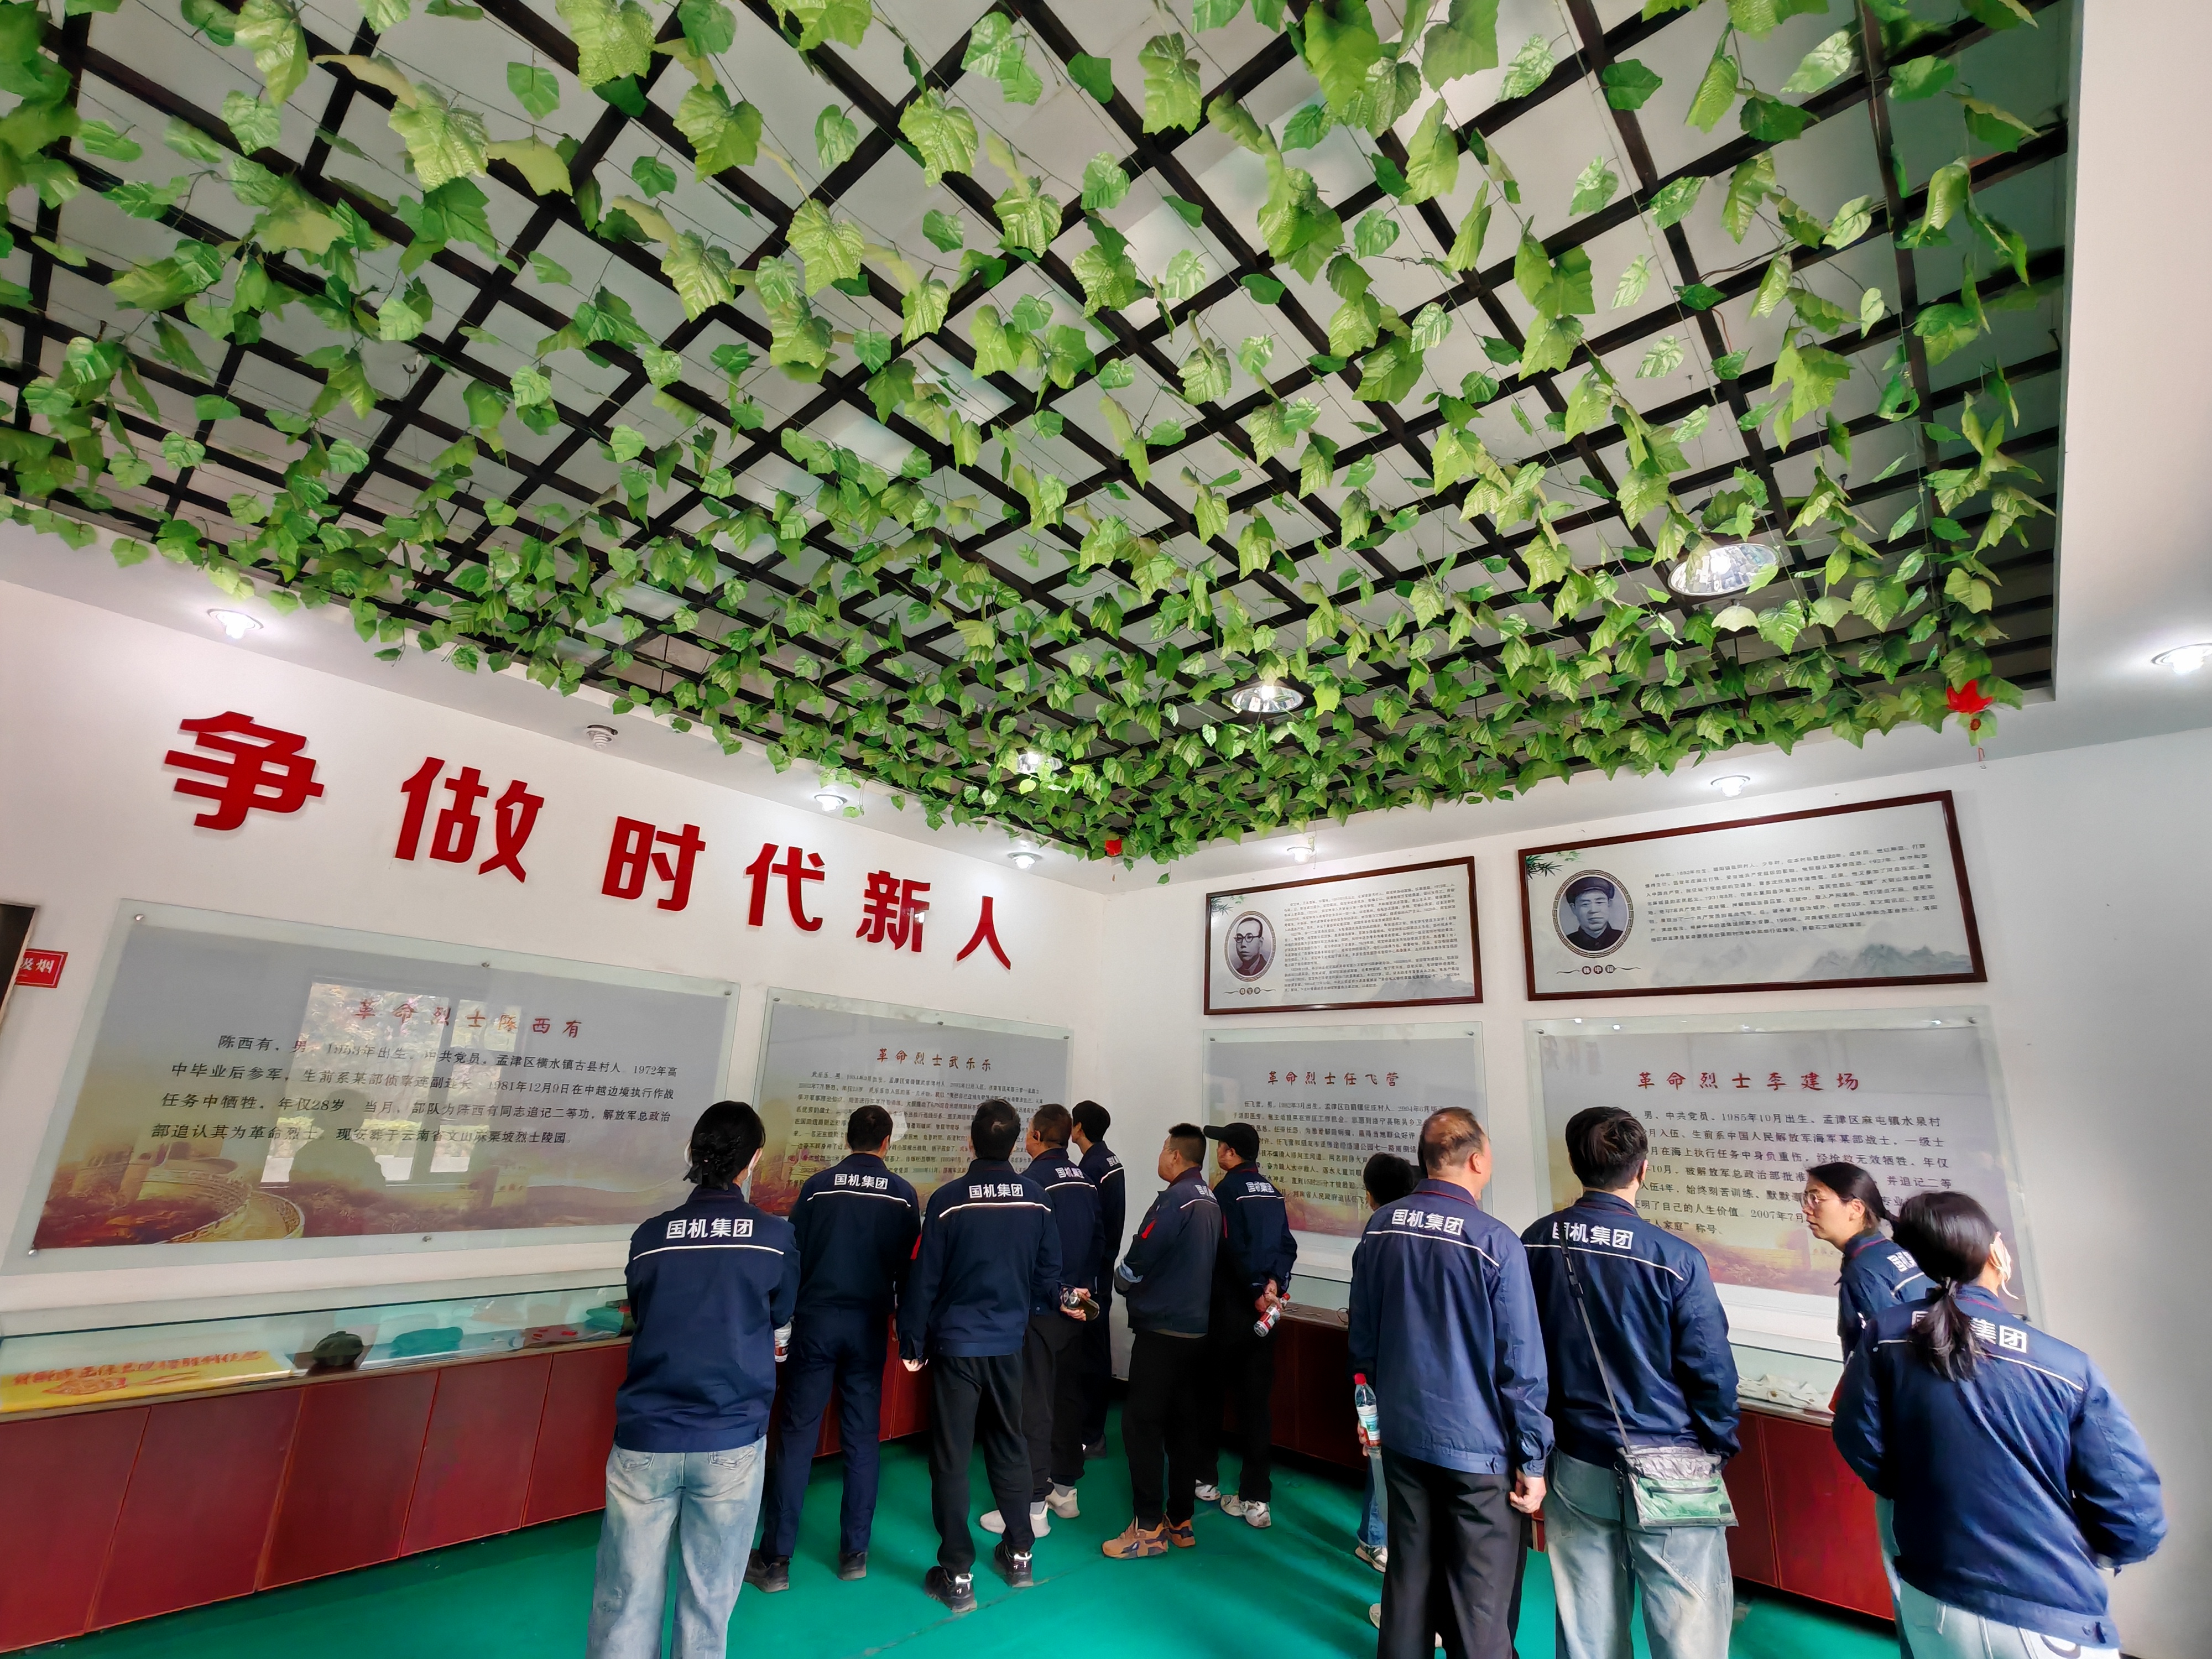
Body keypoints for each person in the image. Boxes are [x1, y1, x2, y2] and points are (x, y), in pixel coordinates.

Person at [1834, 1191, 2164, 1659]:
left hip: (1933, 1603)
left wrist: (1917, 1491)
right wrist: (2102, 1549)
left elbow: (1857, 1437)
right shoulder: (2067, 1368)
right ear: (1995, 1252)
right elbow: (2133, 1515)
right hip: (2049, 1612)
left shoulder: (1886, 1335)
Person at [1523, 1107, 1738, 1659]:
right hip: (1673, 1463)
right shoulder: (1676, 1259)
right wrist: (1718, 1444)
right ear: (1642, 1169)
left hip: (1575, 1457)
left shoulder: (1537, 1242)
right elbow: (1711, 1370)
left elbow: (1519, 1350)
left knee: (1587, 1625)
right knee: (1688, 1627)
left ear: (1574, 1164)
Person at [588, 1102, 799, 1659]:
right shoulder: (773, 1237)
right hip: (731, 1437)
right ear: (754, 1160)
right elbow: (780, 1317)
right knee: (709, 1601)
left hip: (646, 1437)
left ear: (692, 1153)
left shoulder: (650, 1236)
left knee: (623, 1598)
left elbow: (644, 1311)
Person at [1351, 1110, 1550, 1659]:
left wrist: (1368, 1416)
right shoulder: (1495, 1243)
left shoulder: (1381, 1226)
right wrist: (1533, 1459)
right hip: (1478, 1453)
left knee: (1408, 1582)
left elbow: (1363, 1337)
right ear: (1477, 1160)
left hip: (1401, 1437)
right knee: (1480, 1605)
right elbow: (1520, 1364)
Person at [896, 1098, 1066, 1611]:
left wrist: (913, 1338)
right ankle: (1020, 1555)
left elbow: (924, 1278)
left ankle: (957, 1576)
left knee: (951, 1457)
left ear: (970, 1143)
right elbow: (1049, 1273)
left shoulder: (948, 1200)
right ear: (1016, 1145)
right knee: (1010, 1443)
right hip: (1009, 1343)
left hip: (956, 1346)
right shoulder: (1036, 1199)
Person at [747, 1105, 920, 1592]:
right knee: (862, 1439)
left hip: (816, 1323)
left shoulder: (818, 1187)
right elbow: (910, 1269)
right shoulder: (903, 1196)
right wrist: (907, 1326)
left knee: (797, 1437)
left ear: (848, 1139)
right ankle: (854, 1555)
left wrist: (783, 1319)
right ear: (886, 1143)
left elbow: (792, 1255)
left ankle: (776, 1561)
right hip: (869, 1326)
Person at [981, 1104, 1104, 1538]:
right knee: (1067, 1399)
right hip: (1077, 1306)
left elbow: (1023, 1252)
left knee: (1032, 1406)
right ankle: (1064, 1490)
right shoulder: (1085, 1180)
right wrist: (1081, 1292)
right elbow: (1100, 1241)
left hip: (1040, 1309)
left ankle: (1031, 1507)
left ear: (1034, 1136)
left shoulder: (1032, 1183)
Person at [1100, 1123, 1219, 1559]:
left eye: (1163, 1148)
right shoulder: (1209, 1200)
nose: (1161, 1155)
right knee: (1183, 1426)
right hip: (1196, 1332)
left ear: (1175, 1156)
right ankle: (1180, 1520)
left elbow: (1141, 1255)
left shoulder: (1175, 1200)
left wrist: (1121, 1280)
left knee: (1142, 1426)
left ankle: (1147, 1528)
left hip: (1163, 1333)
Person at [1194, 1121, 1296, 1528]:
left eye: (1221, 1146)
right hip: (1264, 1315)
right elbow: (1286, 1245)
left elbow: (1230, 1248)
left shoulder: (1226, 1192)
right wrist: (1274, 1285)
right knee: (1257, 1406)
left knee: (1211, 1395)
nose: (1218, 1151)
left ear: (1230, 1153)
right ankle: (1256, 1499)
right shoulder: (1271, 1191)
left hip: (1229, 1311)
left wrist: (1255, 1287)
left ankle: (1205, 1479)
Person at [1354, 1150, 1420, 1573]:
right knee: (1382, 1452)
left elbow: (1363, 1308)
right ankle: (1374, 1537)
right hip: (1396, 1363)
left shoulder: (1380, 1232)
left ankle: (1374, 1535)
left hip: (1387, 1361)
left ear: (1369, 1195)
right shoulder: (1385, 1233)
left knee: (1383, 1452)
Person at [1803, 1160, 1931, 1356]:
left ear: (1856, 1208)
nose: (1806, 1208)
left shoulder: (1863, 1271)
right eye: (1806, 1199)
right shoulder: (1889, 1251)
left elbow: (1890, 1352)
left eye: (1816, 1199)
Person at [1071, 1100, 1125, 1458]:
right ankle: (1092, 1431)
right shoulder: (1110, 1160)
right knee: (1097, 1351)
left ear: (1078, 1128)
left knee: (1090, 1354)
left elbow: (1088, 1226)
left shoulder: (1090, 1168)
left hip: (1090, 1276)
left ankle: (1090, 1435)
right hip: (1102, 1270)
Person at [1560, 875, 1621, 952]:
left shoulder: (1622, 938)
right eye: (1585, 904)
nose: (1593, 910)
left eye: (1599, 902)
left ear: (1609, 904)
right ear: (1573, 908)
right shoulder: (1566, 942)